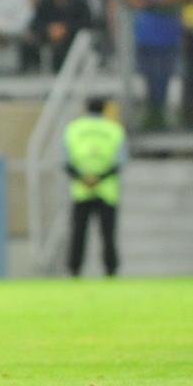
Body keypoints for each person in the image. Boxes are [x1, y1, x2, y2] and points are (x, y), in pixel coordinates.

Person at [64, 97, 127, 277]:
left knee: (78, 234)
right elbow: (120, 162)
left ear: (85, 108)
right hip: (107, 190)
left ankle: (74, 270)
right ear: (105, 109)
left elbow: (66, 162)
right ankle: (111, 270)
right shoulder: (115, 130)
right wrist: (99, 178)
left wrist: (84, 178)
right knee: (108, 234)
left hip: (81, 190)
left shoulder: (73, 129)